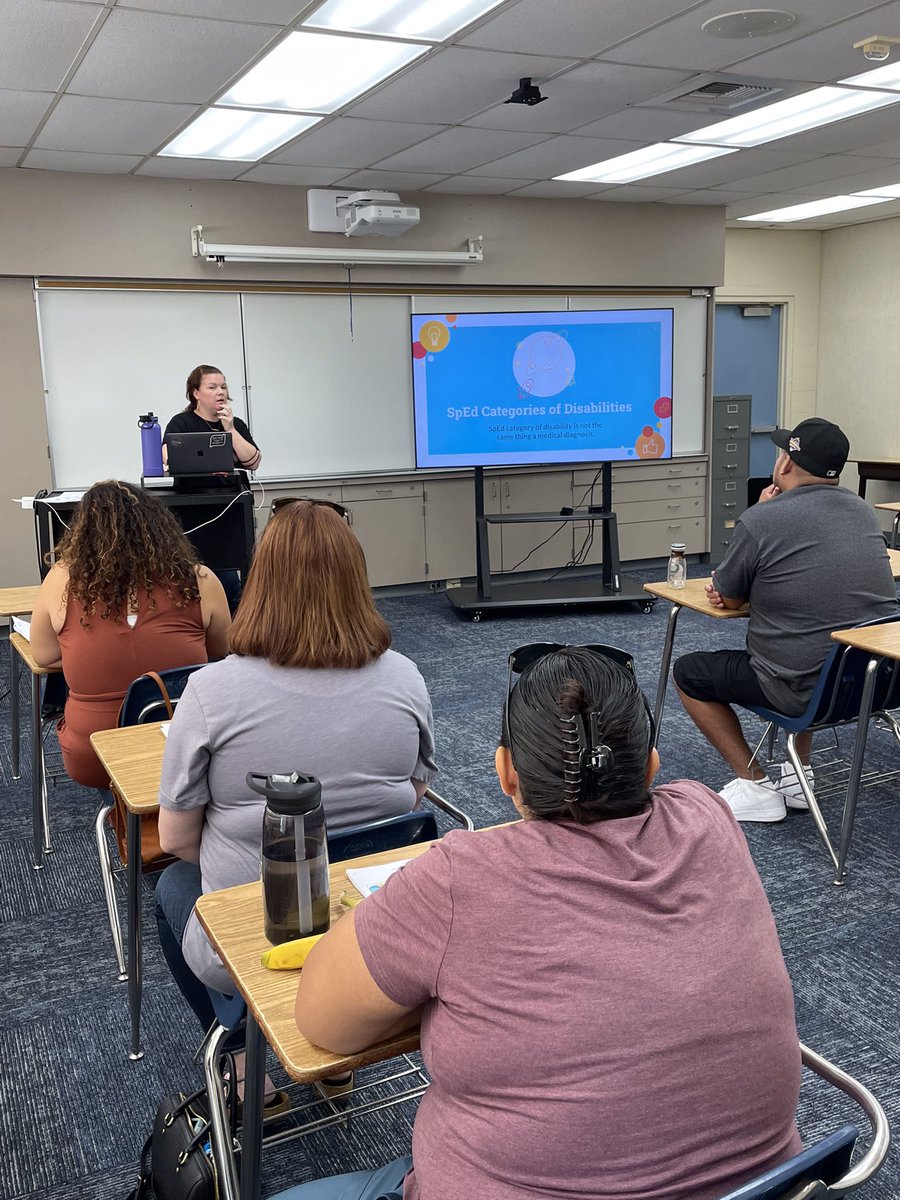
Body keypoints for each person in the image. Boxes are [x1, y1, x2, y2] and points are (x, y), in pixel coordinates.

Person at [283, 645, 803, 1200]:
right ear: (651, 765)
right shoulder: (709, 816)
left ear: (506, 773)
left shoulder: (455, 881)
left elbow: (322, 1025)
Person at [154, 499, 436, 1037]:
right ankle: (334, 1060)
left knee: (172, 884)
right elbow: (414, 794)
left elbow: (176, 838)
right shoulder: (405, 678)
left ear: (260, 581)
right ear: (358, 579)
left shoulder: (210, 692)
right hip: (384, 933)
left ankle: (239, 1058)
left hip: (260, 936)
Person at [673, 418, 898, 822]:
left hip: (800, 688)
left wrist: (759, 514)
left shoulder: (763, 519)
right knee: (815, 636)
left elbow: (730, 592)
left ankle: (755, 784)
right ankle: (799, 773)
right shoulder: (865, 513)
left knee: (689, 673)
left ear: (788, 464)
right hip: (874, 684)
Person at [29, 480, 231, 789]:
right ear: (157, 526)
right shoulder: (199, 580)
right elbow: (220, 648)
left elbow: (43, 655)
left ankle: (123, 813)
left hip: (95, 754)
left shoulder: (61, 582)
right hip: (186, 745)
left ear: (82, 533)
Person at [163, 364, 261, 472]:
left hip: (236, 488)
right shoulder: (181, 422)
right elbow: (168, 458)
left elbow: (254, 464)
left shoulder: (236, 423)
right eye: (212, 387)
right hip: (194, 489)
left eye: (223, 387)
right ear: (196, 393)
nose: (220, 392)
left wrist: (230, 429)